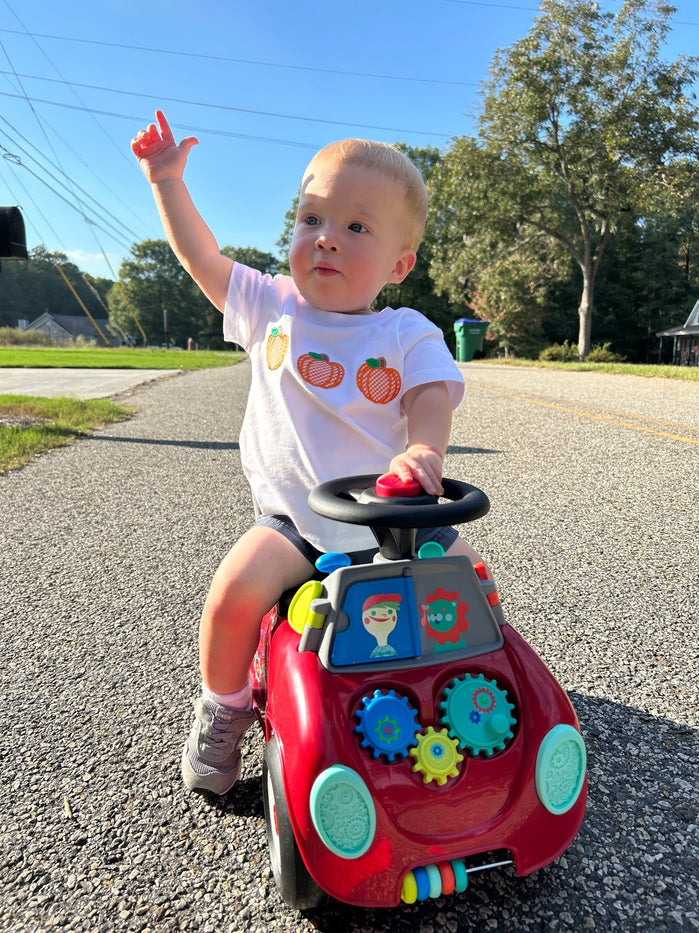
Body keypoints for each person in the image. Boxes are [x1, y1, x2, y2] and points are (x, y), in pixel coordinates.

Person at [132, 110, 482, 795]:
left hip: (396, 522)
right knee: (232, 595)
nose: (324, 239)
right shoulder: (270, 304)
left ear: (398, 264)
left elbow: (432, 398)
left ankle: (479, 701)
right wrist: (167, 182)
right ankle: (224, 709)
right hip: (295, 519)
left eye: (356, 227)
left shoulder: (408, 331)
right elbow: (201, 258)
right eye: (311, 218)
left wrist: (421, 450)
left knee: (475, 591)